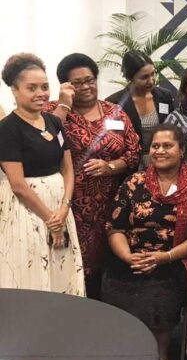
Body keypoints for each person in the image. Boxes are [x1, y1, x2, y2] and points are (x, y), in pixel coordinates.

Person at [102, 123, 187, 360]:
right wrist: (128, 257)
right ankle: (127, 356)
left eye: (167, 146)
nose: (160, 151)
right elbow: (115, 227)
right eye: (155, 146)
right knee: (113, 284)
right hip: (133, 255)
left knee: (157, 296)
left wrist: (165, 257)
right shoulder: (134, 181)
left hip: (174, 257)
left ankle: (160, 359)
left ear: (182, 150)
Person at [44, 53, 141, 299]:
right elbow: (43, 142)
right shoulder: (51, 111)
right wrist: (64, 105)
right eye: (77, 83)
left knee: (104, 268)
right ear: (65, 85)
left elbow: (134, 152)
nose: (86, 87)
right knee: (69, 266)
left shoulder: (115, 112)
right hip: (68, 205)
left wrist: (111, 166)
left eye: (90, 80)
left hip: (108, 205)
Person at [0, 53, 84, 295]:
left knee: (61, 270)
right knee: (30, 269)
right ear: (15, 91)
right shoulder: (8, 130)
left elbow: (67, 167)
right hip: (27, 209)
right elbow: (17, 184)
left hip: (59, 205)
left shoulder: (53, 122)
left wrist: (64, 207)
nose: (41, 93)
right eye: (32, 88)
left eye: (45, 87)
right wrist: (51, 220)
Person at [106, 50, 175, 168]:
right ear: (130, 78)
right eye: (144, 77)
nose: (151, 80)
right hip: (131, 166)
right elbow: (114, 141)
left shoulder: (164, 96)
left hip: (163, 162)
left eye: (153, 74)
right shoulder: (114, 103)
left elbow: (172, 130)